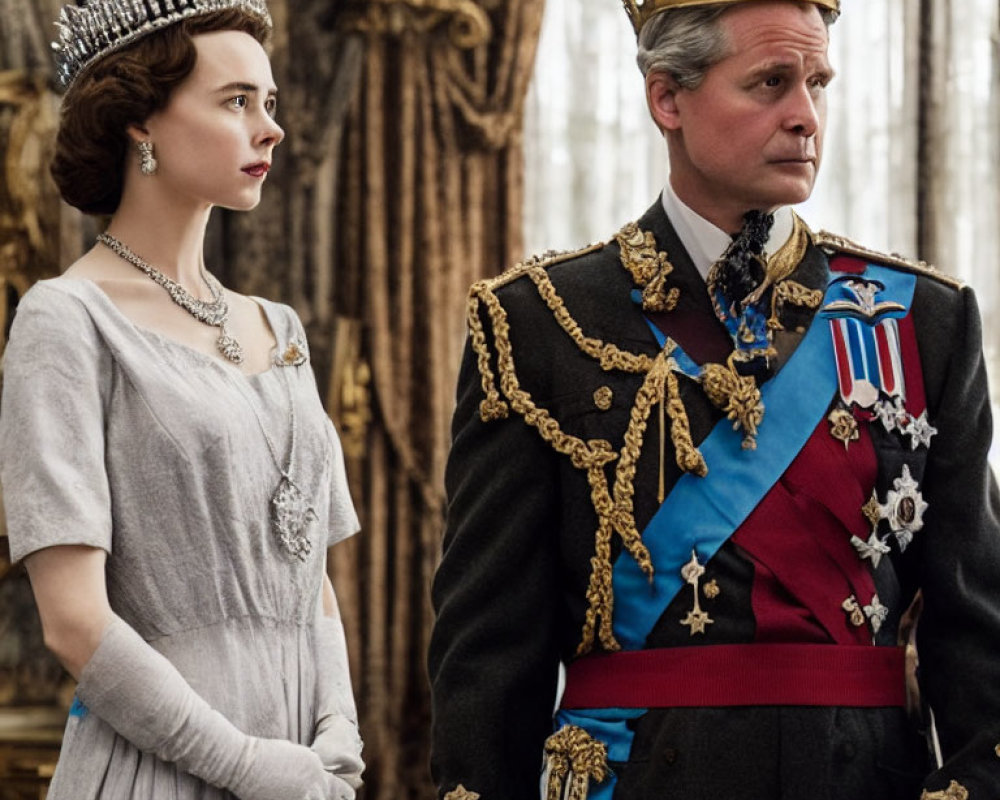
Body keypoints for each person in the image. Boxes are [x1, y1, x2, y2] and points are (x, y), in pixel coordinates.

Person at [428, 0, 1000, 798]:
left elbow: (979, 630)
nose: (805, 117)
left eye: (818, 82)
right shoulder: (538, 322)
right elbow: (488, 649)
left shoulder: (922, 317)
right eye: (770, 82)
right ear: (669, 98)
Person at [0, 1, 364, 798]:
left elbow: (313, 583)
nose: (269, 128)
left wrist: (338, 728)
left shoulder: (281, 327)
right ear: (141, 123)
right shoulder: (66, 321)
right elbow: (72, 622)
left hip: (301, 770)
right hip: (160, 769)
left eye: (269, 104)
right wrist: (242, 766)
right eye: (237, 101)